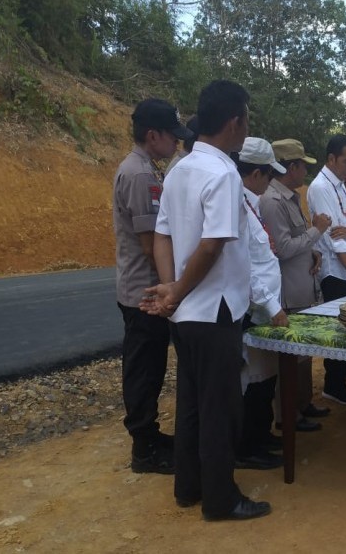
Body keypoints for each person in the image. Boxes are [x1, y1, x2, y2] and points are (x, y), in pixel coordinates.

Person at [142, 80, 271, 521]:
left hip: (187, 312)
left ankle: (189, 485)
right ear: (236, 122)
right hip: (215, 309)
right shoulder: (223, 175)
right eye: (247, 119)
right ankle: (220, 499)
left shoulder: (179, 169)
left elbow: (163, 234)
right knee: (221, 409)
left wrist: (170, 290)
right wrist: (175, 291)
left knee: (193, 404)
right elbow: (214, 244)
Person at [113, 98, 192, 474]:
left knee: (150, 365)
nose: (176, 145)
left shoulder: (143, 169)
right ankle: (144, 447)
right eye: (171, 138)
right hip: (144, 293)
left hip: (142, 289)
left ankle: (149, 436)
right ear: (152, 135)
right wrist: (169, 290)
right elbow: (150, 244)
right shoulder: (140, 175)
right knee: (144, 369)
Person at [260, 138, 331, 431]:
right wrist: (318, 231)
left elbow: (296, 241)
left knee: (301, 355)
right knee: (288, 357)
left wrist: (312, 250)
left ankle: (302, 404)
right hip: (287, 291)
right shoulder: (272, 201)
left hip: (301, 285)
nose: (305, 172)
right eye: (303, 165)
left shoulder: (288, 196)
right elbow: (283, 248)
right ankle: (288, 415)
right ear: (292, 167)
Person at [234, 137, 288, 470]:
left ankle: (262, 434)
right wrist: (271, 305)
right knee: (252, 380)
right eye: (269, 175)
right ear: (256, 174)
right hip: (254, 310)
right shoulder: (239, 206)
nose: (270, 182)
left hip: (265, 309)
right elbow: (244, 266)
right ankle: (247, 445)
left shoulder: (250, 202)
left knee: (266, 376)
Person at [306, 134, 346, 406]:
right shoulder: (320, 187)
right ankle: (334, 383)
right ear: (331, 159)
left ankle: (338, 380)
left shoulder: (340, 185)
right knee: (338, 329)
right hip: (334, 268)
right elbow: (331, 235)